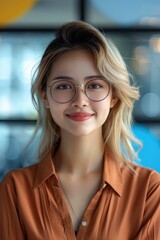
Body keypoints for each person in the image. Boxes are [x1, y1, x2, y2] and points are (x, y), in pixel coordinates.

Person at [0, 21, 159, 240]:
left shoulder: (149, 190)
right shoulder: (15, 189)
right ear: (45, 96)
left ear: (113, 96)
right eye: (64, 86)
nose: (80, 100)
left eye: (94, 85)